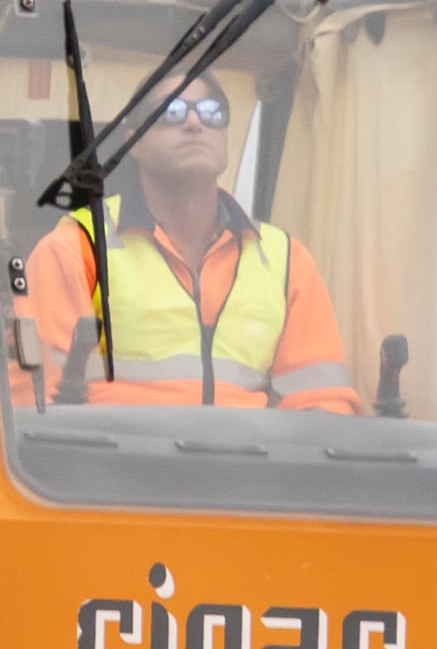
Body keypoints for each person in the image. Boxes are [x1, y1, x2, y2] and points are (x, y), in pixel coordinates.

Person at [17, 70, 358, 413]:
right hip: (113, 463)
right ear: (133, 140)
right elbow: (28, 401)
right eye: (171, 111)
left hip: (246, 463)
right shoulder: (75, 248)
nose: (195, 122)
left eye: (212, 112)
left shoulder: (286, 260)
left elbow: (321, 403)